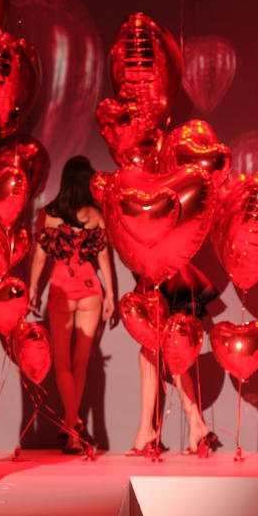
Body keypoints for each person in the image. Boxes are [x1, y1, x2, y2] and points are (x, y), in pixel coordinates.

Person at [27, 156, 117, 454]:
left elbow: (40, 256)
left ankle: (71, 426)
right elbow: (104, 259)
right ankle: (73, 427)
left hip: (61, 288)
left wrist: (32, 289)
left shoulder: (49, 214)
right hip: (91, 288)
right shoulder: (95, 215)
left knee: (63, 364)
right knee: (81, 363)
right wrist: (112, 295)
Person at [130, 267, 219, 456]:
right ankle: (195, 426)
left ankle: (149, 430)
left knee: (163, 351)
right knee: (168, 351)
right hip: (165, 274)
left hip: (164, 275)